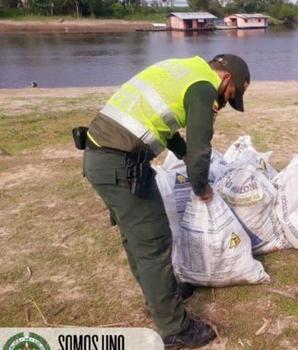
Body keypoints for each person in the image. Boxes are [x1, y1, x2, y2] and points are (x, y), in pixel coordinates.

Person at [81, 54, 250, 349]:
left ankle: (160, 297)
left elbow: (165, 122)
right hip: (120, 163)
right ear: (226, 78)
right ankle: (175, 328)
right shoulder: (203, 87)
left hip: (102, 158)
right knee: (153, 243)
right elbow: (202, 147)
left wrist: (182, 153)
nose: (224, 103)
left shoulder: (185, 69)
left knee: (137, 239)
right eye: (229, 96)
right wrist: (201, 186)